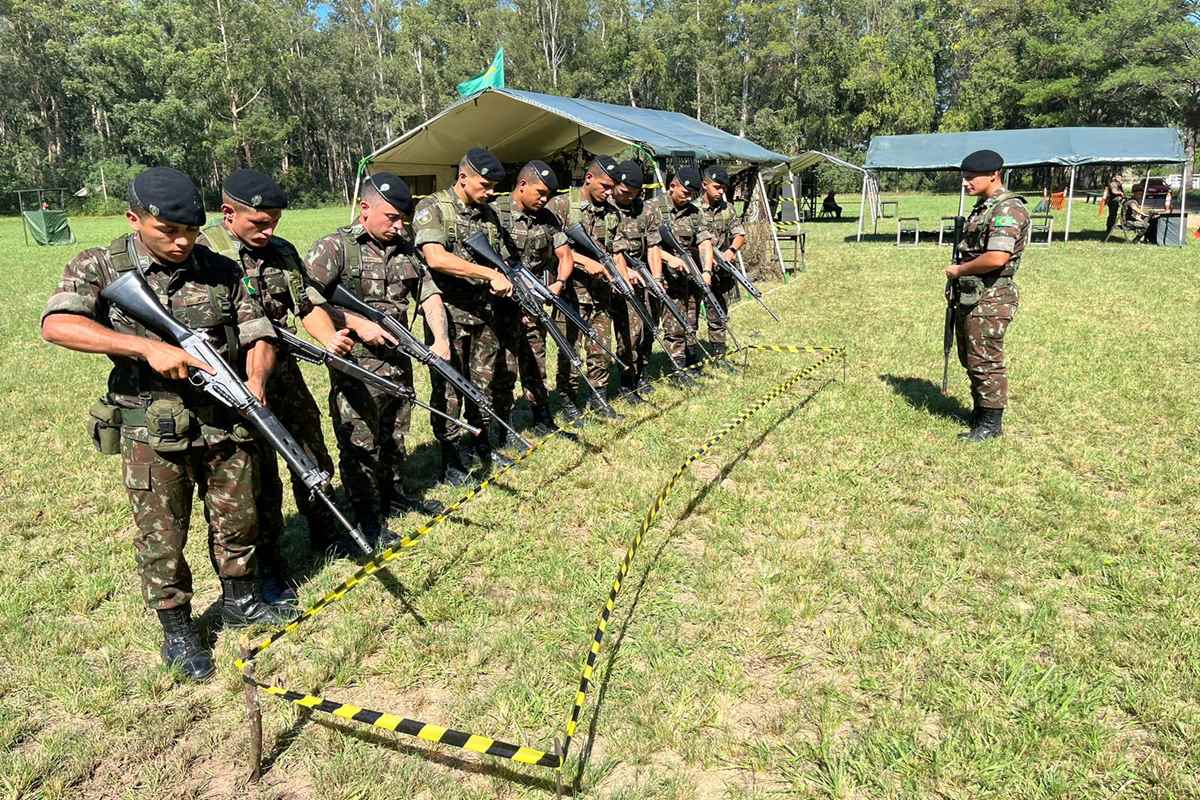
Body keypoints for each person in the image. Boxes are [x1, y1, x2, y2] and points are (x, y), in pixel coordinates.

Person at [40, 167, 298, 683]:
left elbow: (258, 330)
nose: (182, 243)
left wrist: (256, 375)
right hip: (154, 429)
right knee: (162, 536)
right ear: (134, 219)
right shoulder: (101, 265)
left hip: (225, 420)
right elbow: (57, 325)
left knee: (238, 519)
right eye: (169, 233)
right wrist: (146, 347)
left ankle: (240, 599)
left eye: (192, 232)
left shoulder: (220, 268)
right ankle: (178, 628)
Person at [196, 168, 342, 603]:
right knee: (252, 476)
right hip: (228, 384)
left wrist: (329, 337)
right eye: (259, 222)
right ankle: (268, 565)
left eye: (274, 221)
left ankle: (326, 529)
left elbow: (307, 305)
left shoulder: (281, 251)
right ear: (228, 213)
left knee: (311, 450)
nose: (269, 230)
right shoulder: (203, 252)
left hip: (283, 373)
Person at [304, 173, 451, 541]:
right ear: (365, 208)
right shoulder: (334, 248)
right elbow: (307, 301)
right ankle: (367, 517)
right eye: (391, 217)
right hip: (357, 367)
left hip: (398, 363)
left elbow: (429, 294)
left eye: (403, 218)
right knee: (360, 443)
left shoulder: (405, 248)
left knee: (395, 435)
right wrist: (356, 322)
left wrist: (441, 339)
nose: (398, 225)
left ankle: (393, 495)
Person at [412, 148, 518, 484]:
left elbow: (499, 258)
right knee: (449, 391)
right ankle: (451, 459)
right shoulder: (432, 207)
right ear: (463, 177)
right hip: (448, 316)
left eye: (493, 188)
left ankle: (481, 445)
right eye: (484, 185)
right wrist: (488, 275)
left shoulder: (487, 214)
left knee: (482, 385)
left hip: (483, 314)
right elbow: (436, 258)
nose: (489, 192)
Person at [948, 149, 1029, 442]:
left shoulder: (1007, 210)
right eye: (964, 177)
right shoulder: (985, 206)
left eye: (971, 178)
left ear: (993, 175)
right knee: (971, 356)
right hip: (974, 294)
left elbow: (996, 257)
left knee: (985, 359)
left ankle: (991, 425)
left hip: (991, 297)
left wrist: (959, 270)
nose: (965, 183)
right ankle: (980, 412)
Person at [551, 156, 628, 422]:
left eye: (612, 187)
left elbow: (616, 251)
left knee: (600, 350)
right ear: (589, 178)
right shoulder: (561, 205)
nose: (609, 192)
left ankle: (599, 396)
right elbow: (554, 248)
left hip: (601, 294)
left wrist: (621, 276)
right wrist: (586, 263)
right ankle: (567, 399)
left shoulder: (612, 213)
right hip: (570, 294)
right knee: (569, 352)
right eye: (605, 186)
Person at [506, 160, 573, 434]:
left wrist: (558, 283)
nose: (544, 200)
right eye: (540, 193)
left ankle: (542, 418)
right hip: (503, 306)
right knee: (504, 370)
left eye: (548, 195)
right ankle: (504, 429)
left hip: (534, 303)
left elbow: (565, 255)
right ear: (522, 185)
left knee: (536, 360)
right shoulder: (496, 215)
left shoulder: (547, 218)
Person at [610, 159, 664, 398]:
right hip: (617, 277)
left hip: (643, 275)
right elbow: (612, 250)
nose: (628, 198)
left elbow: (653, 245)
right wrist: (624, 274)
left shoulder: (647, 209)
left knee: (649, 327)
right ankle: (626, 382)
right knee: (631, 331)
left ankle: (640, 373)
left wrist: (657, 278)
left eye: (633, 194)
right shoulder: (608, 209)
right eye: (624, 192)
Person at [657, 166, 715, 385]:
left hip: (688, 277)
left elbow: (704, 242)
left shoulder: (694, 212)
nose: (688, 197)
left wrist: (706, 271)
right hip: (662, 279)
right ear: (672, 186)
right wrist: (668, 258)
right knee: (673, 325)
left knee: (690, 321)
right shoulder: (654, 208)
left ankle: (689, 362)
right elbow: (645, 245)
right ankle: (675, 371)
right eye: (684, 192)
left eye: (692, 194)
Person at [699, 165, 746, 363]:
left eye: (723, 188)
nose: (720, 191)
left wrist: (731, 250)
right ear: (704, 185)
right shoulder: (693, 210)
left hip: (719, 272)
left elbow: (740, 234)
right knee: (689, 317)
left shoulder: (728, 209)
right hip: (697, 271)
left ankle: (719, 355)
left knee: (718, 314)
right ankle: (689, 359)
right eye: (716, 187)